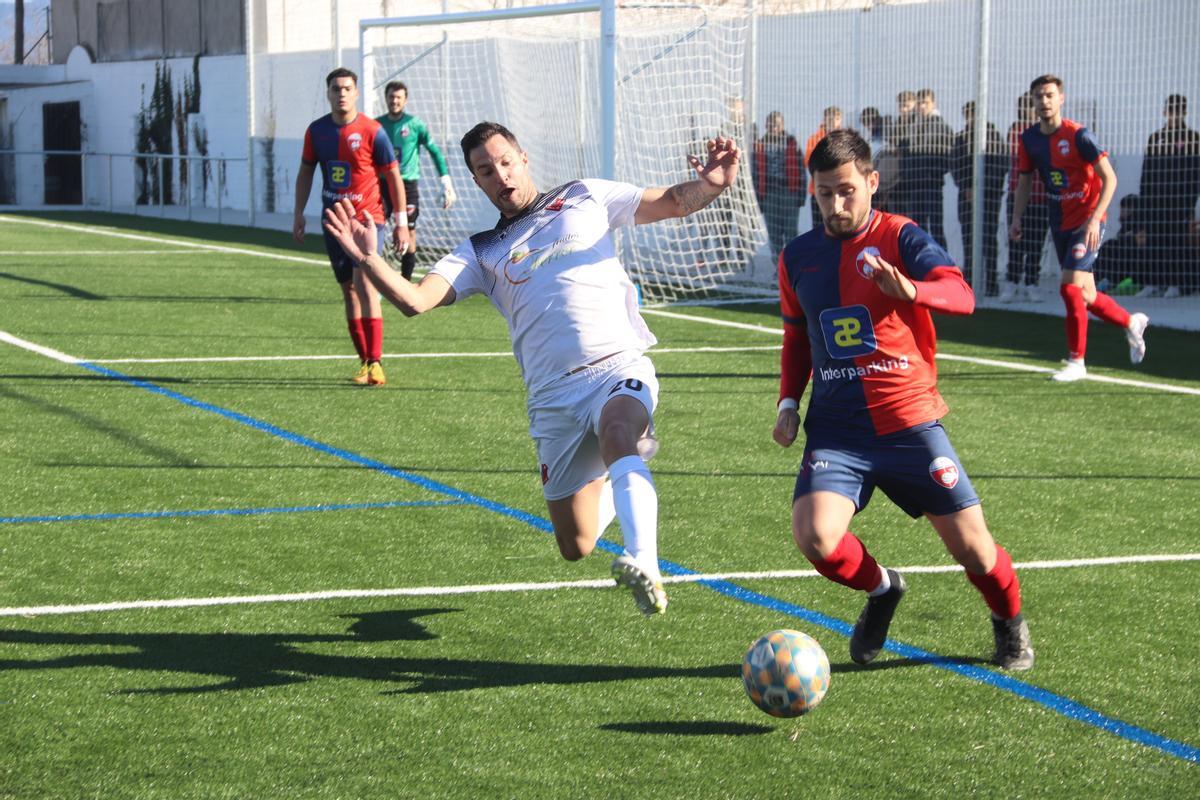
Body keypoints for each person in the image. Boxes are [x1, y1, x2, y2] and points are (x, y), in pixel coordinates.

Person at [322, 121, 741, 615]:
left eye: (504, 162)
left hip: (615, 366)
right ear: (477, 182)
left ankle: (644, 559)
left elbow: (672, 200)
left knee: (618, 431)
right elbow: (415, 301)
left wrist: (712, 184)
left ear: (523, 157)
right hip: (552, 399)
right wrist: (370, 260)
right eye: (485, 170)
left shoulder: (585, 195)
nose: (499, 175)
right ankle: (629, 467)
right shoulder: (478, 252)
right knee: (576, 544)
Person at [773, 129, 1034, 671]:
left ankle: (1009, 622)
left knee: (975, 551)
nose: (836, 204)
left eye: (847, 190)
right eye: (824, 193)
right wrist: (788, 404)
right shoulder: (798, 257)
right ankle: (882, 589)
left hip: (910, 423)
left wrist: (914, 291)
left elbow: (961, 294)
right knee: (816, 536)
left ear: (871, 183)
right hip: (839, 431)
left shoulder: (901, 237)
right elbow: (797, 336)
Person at [1010, 75, 1149, 382]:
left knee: (1069, 287)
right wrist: (1016, 217)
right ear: (1032, 102)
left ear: (1061, 98)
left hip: (1088, 222)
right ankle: (1131, 322)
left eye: (1049, 95)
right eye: (1038, 97)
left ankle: (1077, 361)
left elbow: (1109, 178)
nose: (1043, 101)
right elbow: (1023, 182)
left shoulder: (1079, 136)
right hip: (1060, 221)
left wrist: (1095, 218)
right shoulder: (1029, 139)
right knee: (1085, 294)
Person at [294, 67, 411, 386]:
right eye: (336, 88)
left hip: (368, 220)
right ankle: (364, 361)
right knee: (348, 289)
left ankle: (376, 362)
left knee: (365, 285)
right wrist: (298, 213)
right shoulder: (316, 131)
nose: (341, 93)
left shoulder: (373, 131)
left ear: (356, 93)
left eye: (347, 88)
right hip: (334, 222)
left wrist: (401, 223)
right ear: (328, 93)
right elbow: (305, 172)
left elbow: (393, 177)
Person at [375, 80, 459, 282]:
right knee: (376, 229)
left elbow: (435, 152)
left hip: (407, 186)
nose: (394, 101)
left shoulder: (415, 125)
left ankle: (405, 281)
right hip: (382, 185)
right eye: (391, 97)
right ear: (385, 98)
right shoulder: (376, 125)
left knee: (409, 231)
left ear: (405, 100)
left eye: (398, 97)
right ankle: (374, 280)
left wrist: (446, 182)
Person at [1138, 94, 1200, 297]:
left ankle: (1175, 284)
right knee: (1154, 240)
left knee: (1176, 242)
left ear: (1184, 112)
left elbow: (1195, 173)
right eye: (1170, 110)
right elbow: (1147, 172)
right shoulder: (1155, 137)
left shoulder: (1193, 138)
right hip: (1155, 202)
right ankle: (1153, 283)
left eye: (1177, 110)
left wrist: (1189, 203)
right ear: (1165, 112)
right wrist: (1144, 200)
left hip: (1179, 203)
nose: (1173, 114)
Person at [950, 101, 1007, 296]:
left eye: (974, 114)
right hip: (966, 198)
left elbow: (1001, 165)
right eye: (968, 115)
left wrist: (981, 188)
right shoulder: (960, 138)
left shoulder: (994, 136)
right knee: (968, 238)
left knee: (989, 239)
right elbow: (955, 165)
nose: (971, 119)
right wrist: (966, 187)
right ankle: (971, 282)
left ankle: (991, 283)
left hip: (989, 198)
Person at [1001, 92, 1049, 303]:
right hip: (1016, 194)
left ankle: (1031, 282)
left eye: (1029, 107)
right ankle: (1012, 282)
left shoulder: (1044, 132)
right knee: (1015, 241)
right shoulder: (1015, 130)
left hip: (1040, 197)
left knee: (1035, 243)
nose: (1026, 111)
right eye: (1022, 107)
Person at [752, 111, 804, 258]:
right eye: (771, 124)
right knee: (774, 233)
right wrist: (759, 199)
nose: (774, 127)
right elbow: (756, 172)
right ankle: (778, 266)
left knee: (790, 232)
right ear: (766, 125)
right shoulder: (761, 144)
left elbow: (800, 169)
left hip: (789, 193)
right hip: (769, 194)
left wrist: (801, 195)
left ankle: (791, 264)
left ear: (782, 125)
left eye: (777, 124)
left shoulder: (791, 142)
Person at [907, 89, 953, 248]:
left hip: (932, 183)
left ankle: (942, 264)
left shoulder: (942, 127)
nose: (922, 106)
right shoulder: (913, 126)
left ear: (933, 103)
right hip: (916, 183)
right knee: (917, 226)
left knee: (936, 226)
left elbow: (948, 155)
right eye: (919, 103)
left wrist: (933, 172)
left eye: (925, 102)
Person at [805, 106, 842, 229]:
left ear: (840, 120)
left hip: (839, 191)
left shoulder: (844, 139)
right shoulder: (814, 139)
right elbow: (809, 162)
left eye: (836, 118)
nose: (833, 121)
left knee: (837, 225)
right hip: (818, 191)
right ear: (825, 119)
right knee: (818, 226)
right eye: (830, 118)